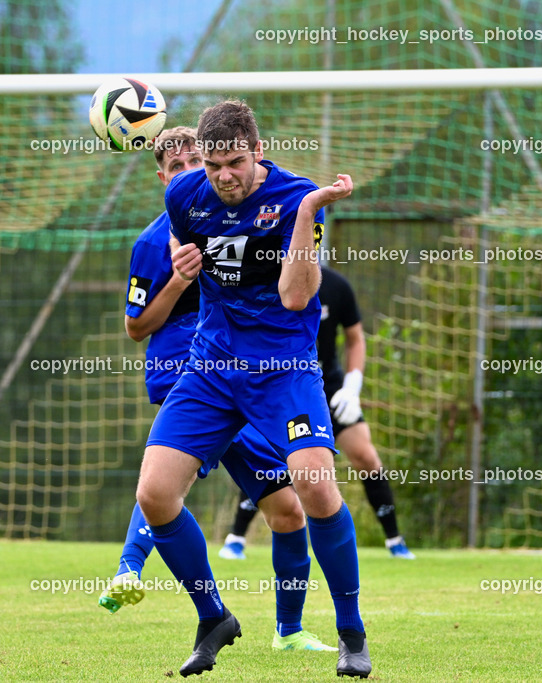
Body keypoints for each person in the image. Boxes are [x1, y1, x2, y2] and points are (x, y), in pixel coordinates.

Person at [136, 101, 370, 677]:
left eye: (235, 163)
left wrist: (309, 212)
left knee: (314, 489)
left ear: (257, 152)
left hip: (284, 369)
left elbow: (296, 297)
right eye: (214, 165)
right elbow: (193, 260)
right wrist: (185, 267)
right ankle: (212, 615)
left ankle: (350, 631)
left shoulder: (297, 199)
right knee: (155, 494)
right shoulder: (184, 196)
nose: (224, 176)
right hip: (211, 368)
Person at [98, 126, 336, 653]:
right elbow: (136, 327)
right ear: (164, 178)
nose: (197, 177)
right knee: (165, 482)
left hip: (254, 376)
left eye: (197, 164)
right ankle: (132, 567)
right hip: (196, 375)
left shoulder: (244, 216)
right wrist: (180, 279)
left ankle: (288, 633)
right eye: (180, 168)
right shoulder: (154, 241)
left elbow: (285, 290)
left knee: (289, 510)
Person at [219, 265, 414, 561]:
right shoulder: (265, 281)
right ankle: (235, 538)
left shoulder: (336, 285)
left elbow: (355, 338)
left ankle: (395, 541)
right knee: (268, 457)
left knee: (365, 455)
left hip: (330, 391)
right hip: (283, 389)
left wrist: (352, 387)